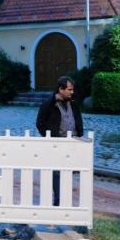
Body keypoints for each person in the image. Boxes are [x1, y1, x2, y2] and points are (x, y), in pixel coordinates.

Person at [36, 76, 84, 206]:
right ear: (60, 89)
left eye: (72, 89)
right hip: (56, 144)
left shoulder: (73, 103)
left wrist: (80, 134)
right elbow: (40, 124)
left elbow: (78, 119)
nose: (72, 92)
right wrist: (50, 137)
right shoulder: (48, 104)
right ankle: (58, 200)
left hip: (72, 143)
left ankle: (66, 198)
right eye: (69, 89)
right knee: (56, 172)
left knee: (69, 171)